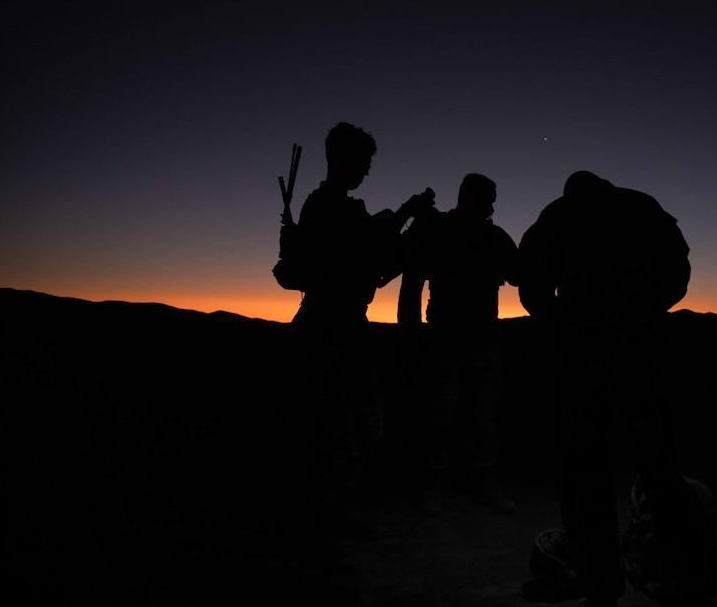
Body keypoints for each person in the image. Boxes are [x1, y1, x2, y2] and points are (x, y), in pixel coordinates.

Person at [517, 171, 691, 607]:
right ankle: (682, 572)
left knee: (583, 467)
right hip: (642, 347)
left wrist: (562, 320)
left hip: (582, 352)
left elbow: (531, 284)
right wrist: (646, 310)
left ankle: (599, 578)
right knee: (658, 460)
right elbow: (679, 269)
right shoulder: (643, 206)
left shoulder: (557, 215)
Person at [292, 122, 434, 537]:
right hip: (330, 328)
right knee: (337, 427)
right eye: (364, 162)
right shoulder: (329, 209)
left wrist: (405, 217)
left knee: (347, 424)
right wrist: (408, 219)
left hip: (342, 325)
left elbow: (373, 251)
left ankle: (333, 514)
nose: (368, 171)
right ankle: (324, 525)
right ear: (344, 160)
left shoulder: (332, 207)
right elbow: (369, 250)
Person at [397, 173, 519, 516]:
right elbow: (412, 284)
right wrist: (409, 333)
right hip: (444, 337)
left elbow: (520, 271)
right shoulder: (438, 230)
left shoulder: (494, 237)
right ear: (469, 198)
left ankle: (482, 480)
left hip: (483, 338)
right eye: (487, 199)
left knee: (483, 412)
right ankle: (431, 485)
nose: (492, 207)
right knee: (439, 411)